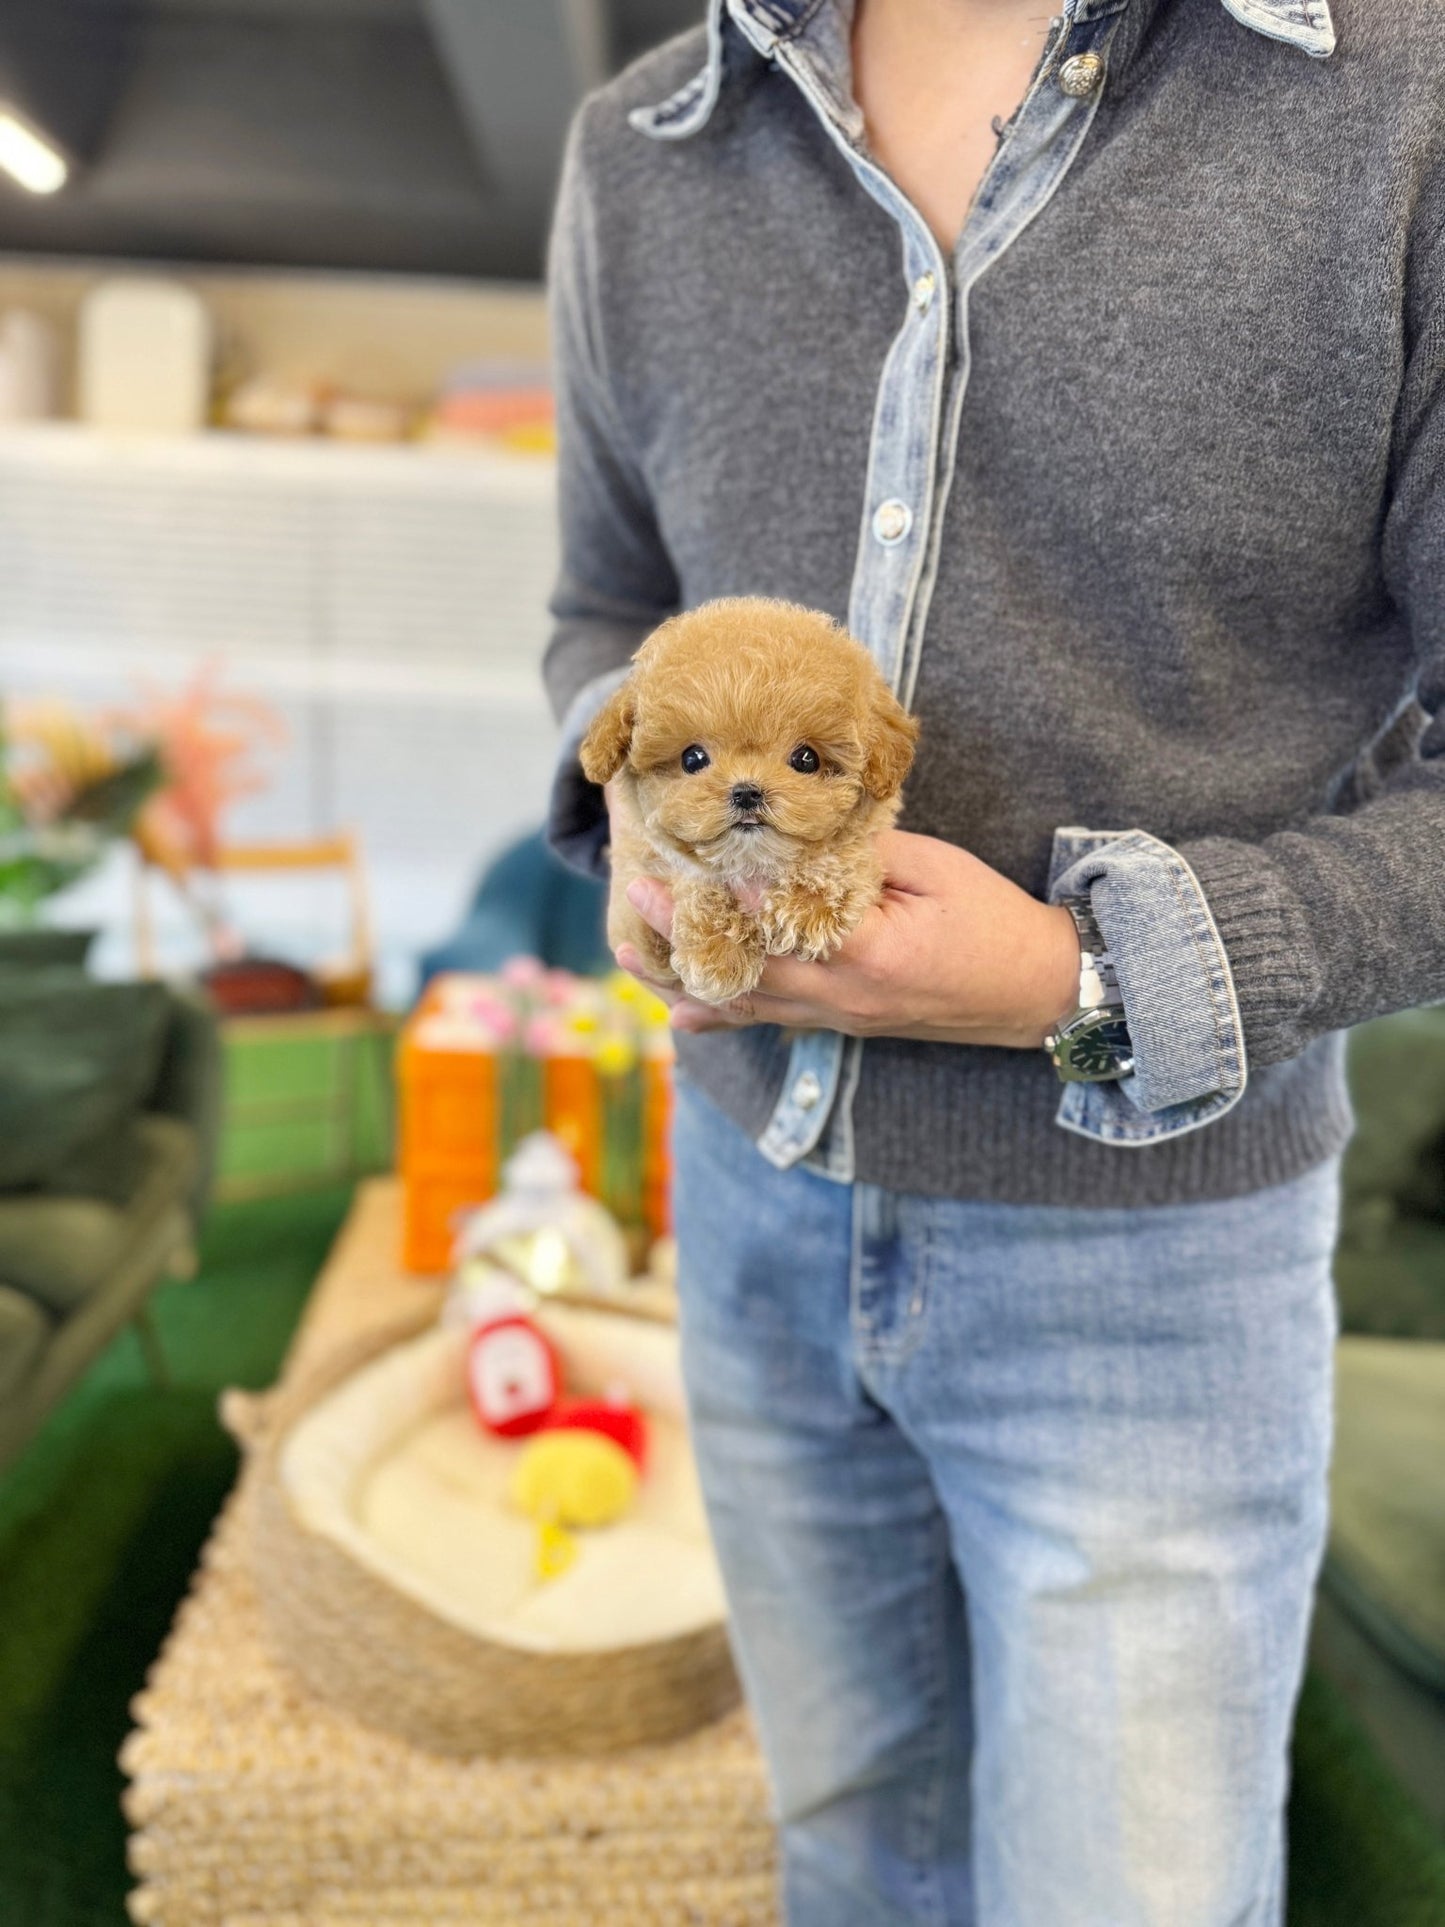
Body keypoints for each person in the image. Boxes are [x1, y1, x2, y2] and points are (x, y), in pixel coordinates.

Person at [540, 0, 1445, 1920]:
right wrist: (626, 802)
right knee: (850, 1854)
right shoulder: (647, 144)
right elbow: (604, 606)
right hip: (748, 1195)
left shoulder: (1406, 110)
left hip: (1156, 1262)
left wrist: (1079, 979)